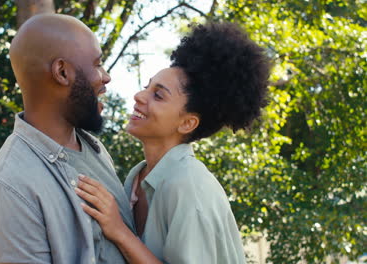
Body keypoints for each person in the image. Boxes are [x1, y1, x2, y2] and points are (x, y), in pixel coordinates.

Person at [75, 22, 271, 263]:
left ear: (187, 123)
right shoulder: (138, 179)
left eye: (158, 95)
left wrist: (119, 231)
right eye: (147, 87)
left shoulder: (189, 186)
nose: (139, 96)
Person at [0, 14, 135, 264]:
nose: (106, 77)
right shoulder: (9, 187)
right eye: (96, 64)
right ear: (62, 72)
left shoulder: (95, 149)